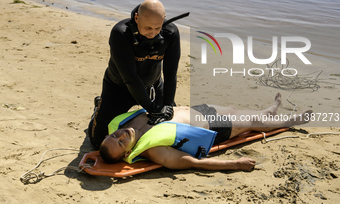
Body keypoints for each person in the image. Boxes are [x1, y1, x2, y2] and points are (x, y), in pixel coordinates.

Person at [100, 93, 312, 171]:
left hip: (197, 110)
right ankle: (290, 121)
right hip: (212, 127)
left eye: (113, 136)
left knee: (236, 111)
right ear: (128, 154)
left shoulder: (124, 124)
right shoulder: (153, 150)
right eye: (120, 143)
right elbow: (193, 163)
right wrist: (235, 164)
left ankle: (268, 111)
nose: (120, 136)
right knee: (250, 123)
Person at [89, 0, 189, 149]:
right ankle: (99, 106)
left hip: (152, 85)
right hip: (119, 87)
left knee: (173, 133)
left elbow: (170, 73)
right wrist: (152, 108)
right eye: (148, 28)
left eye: (157, 28)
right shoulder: (121, 33)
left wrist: (168, 105)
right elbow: (130, 78)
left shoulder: (171, 32)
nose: (153, 33)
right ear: (137, 18)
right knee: (97, 142)